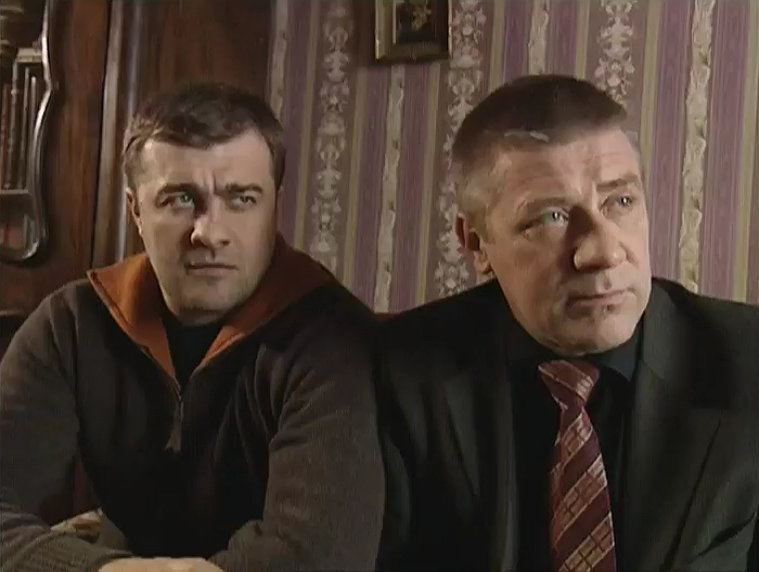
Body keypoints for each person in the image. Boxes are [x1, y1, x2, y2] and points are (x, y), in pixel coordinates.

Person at [376, 74, 759, 572]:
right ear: (476, 244)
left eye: (621, 202)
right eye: (550, 217)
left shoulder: (747, 362)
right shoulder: (401, 374)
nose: (603, 251)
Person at [0, 82, 384, 572]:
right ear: (136, 210)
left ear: (275, 207)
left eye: (241, 199)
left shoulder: (333, 338)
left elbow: (319, 557)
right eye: (181, 199)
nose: (209, 232)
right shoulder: (71, 324)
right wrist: (107, 571)